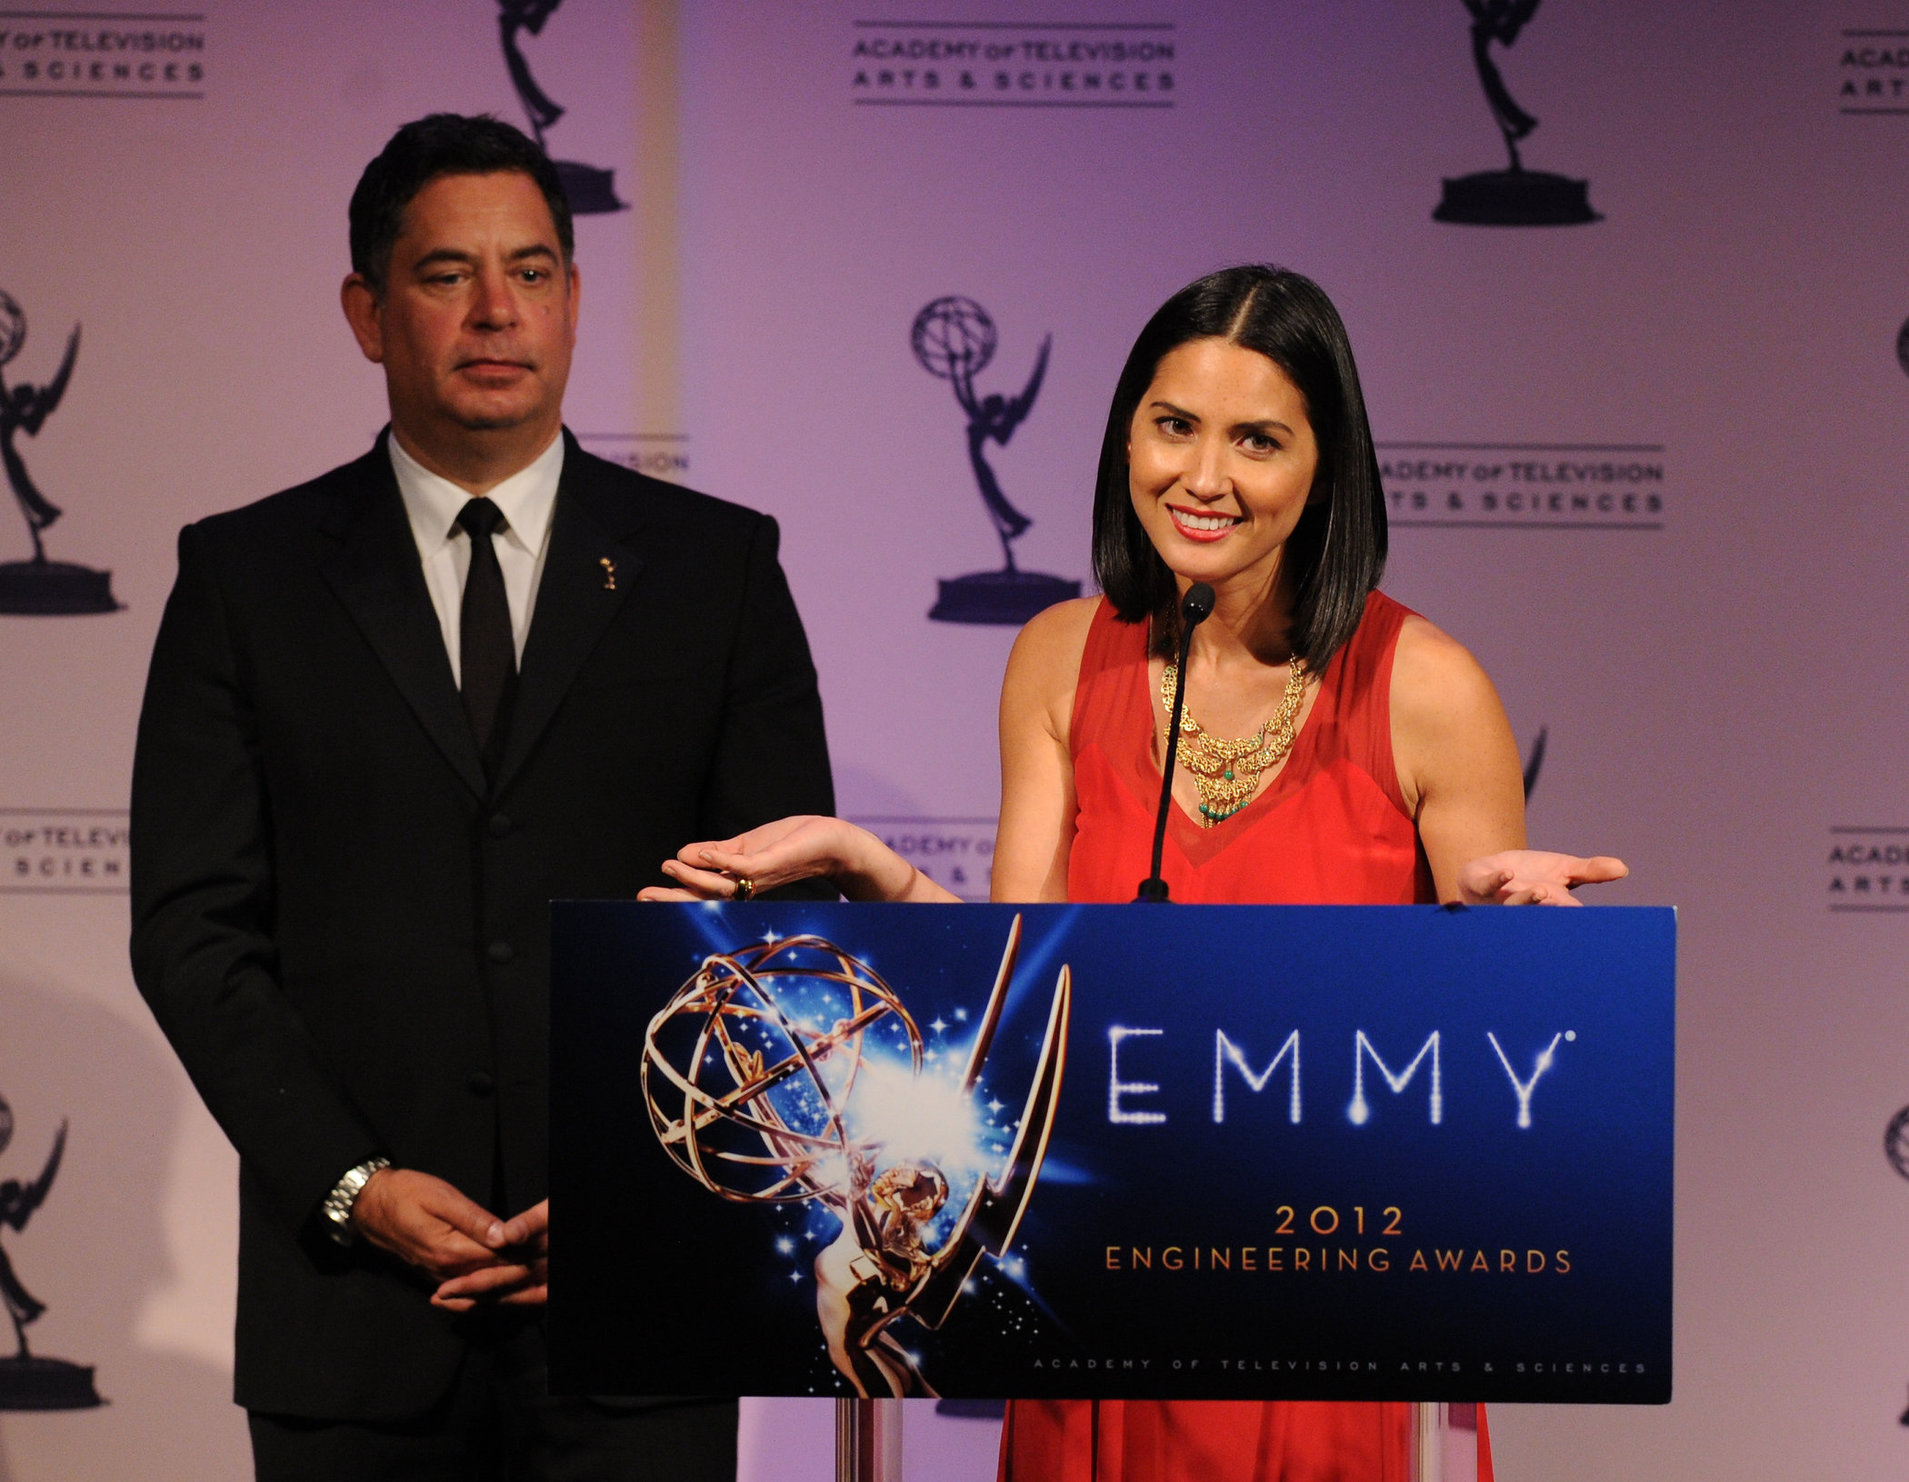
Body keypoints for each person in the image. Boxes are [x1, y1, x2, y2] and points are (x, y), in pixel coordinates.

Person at [641, 265, 1626, 1482]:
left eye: (1256, 440)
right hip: (1109, 1313)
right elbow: (1025, 990)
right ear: (1125, 436)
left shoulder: (1426, 685)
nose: (1201, 479)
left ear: (1327, 467)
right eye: (1173, 427)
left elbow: (1480, 1084)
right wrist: (874, 869)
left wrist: (1513, 952)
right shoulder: (1061, 657)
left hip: (1333, 1326)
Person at [129, 113, 833, 1480]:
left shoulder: (714, 570)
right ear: (367, 310)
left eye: (535, 270)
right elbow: (193, 931)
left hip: (642, 1303)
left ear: (573, 298)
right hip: (349, 1319)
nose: (497, 310)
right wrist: (351, 1185)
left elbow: (777, 914)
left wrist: (646, 1180)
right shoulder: (246, 579)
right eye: (447, 273)